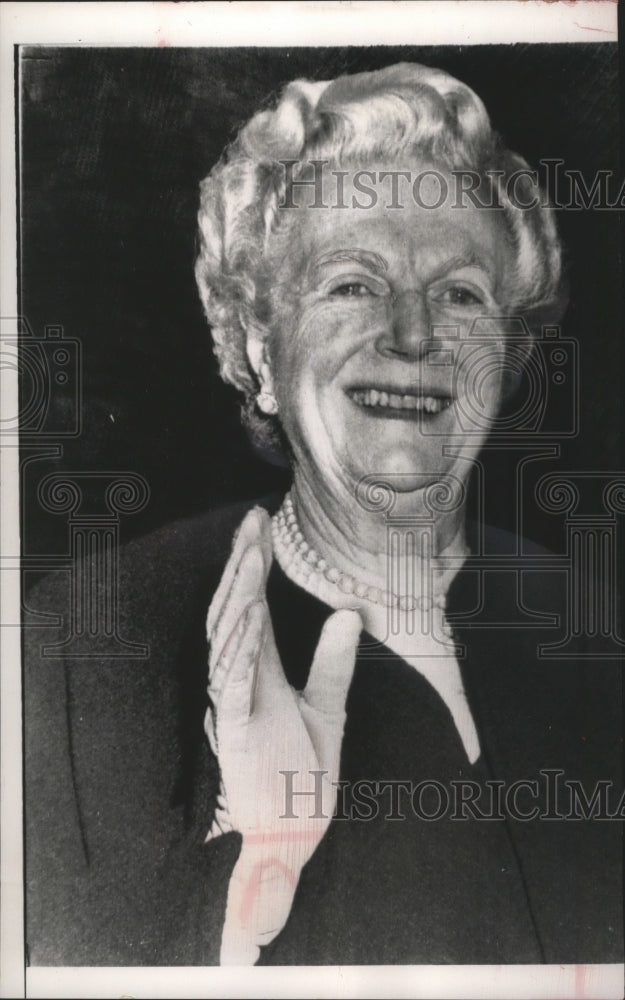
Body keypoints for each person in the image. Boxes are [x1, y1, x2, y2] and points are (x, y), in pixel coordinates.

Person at [24, 62, 622, 967]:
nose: (414, 336)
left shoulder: (599, 628)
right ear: (260, 345)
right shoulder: (75, 657)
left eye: (461, 294)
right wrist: (259, 869)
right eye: (352, 283)